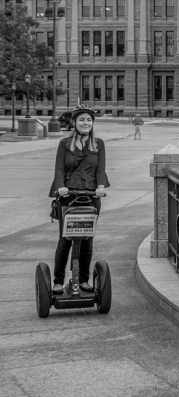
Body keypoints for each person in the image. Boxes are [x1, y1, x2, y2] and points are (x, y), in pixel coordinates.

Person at [49, 105, 109, 294]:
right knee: (65, 239)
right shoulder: (64, 143)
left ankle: (83, 280)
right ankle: (58, 281)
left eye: (89, 120)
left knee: (87, 239)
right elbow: (59, 168)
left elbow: (101, 169)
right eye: (82, 119)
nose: (86, 123)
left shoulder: (98, 144)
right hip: (68, 195)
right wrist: (60, 187)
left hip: (91, 196)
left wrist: (101, 187)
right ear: (74, 122)